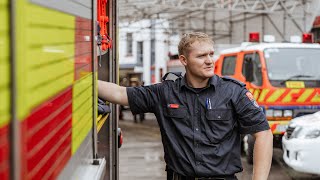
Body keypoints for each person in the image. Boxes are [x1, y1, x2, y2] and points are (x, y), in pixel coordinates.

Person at [98, 32, 273, 180]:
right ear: (184, 60)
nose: (209, 61)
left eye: (211, 54)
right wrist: (79, 79)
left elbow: (263, 133)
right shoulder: (165, 93)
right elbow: (120, 93)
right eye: (201, 56)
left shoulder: (233, 92)